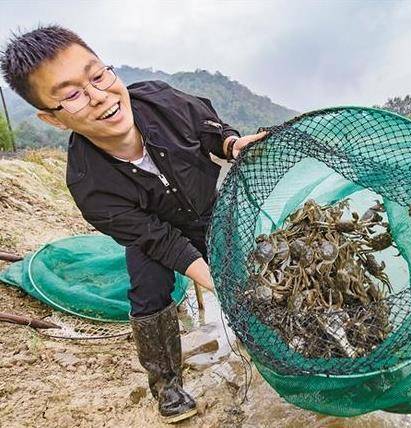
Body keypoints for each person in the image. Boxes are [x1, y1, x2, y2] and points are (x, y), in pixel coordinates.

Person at [1, 26, 265, 423]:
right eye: (71, 95)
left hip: (213, 207)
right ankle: (167, 384)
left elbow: (207, 128)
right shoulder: (90, 186)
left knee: (260, 272)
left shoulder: (160, 100)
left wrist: (231, 143)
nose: (99, 97)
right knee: (148, 292)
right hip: (156, 234)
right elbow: (160, 241)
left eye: (98, 75)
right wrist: (213, 278)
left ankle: (266, 342)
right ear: (52, 119)